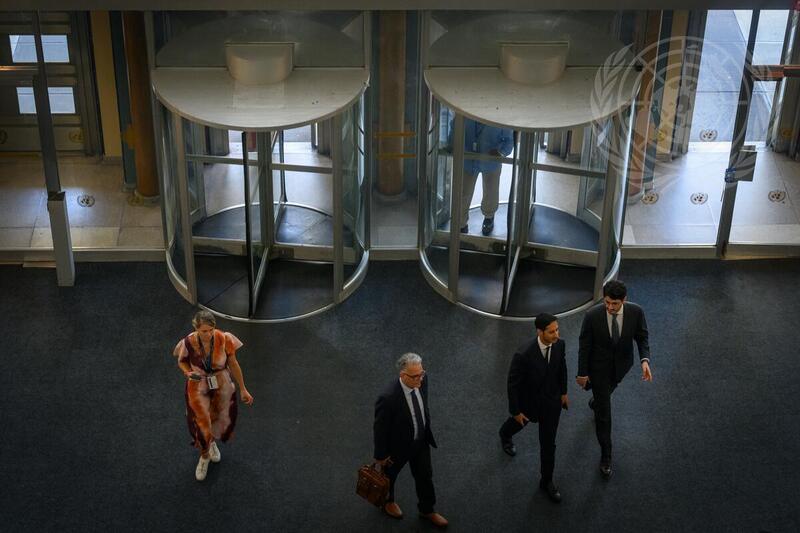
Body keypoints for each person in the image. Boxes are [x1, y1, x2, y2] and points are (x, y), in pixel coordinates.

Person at [576, 280, 652, 479]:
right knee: (604, 414)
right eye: (607, 302)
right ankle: (606, 455)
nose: (609, 307)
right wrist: (582, 373)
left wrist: (645, 360)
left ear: (624, 300)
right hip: (598, 369)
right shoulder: (592, 316)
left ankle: (596, 401)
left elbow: (642, 337)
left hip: (622, 367)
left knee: (604, 395)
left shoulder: (636, 312)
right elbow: (584, 345)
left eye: (614, 304)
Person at [173, 310, 254, 481]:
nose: (208, 334)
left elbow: (233, 363)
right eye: (204, 331)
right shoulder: (188, 342)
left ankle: (211, 443)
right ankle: (204, 455)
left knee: (216, 418)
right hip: (197, 385)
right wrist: (187, 373)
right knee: (201, 422)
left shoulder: (224, 339)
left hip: (221, 382)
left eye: (211, 329)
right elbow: (181, 361)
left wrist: (243, 388)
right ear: (196, 329)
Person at [498, 313, 569, 503]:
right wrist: (515, 411)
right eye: (551, 331)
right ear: (540, 331)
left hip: (552, 403)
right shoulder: (523, 354)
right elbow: (512, 385)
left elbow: (562, 368)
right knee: (517, 424)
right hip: (529, 404)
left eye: (557, 330)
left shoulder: (559, 345)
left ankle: (546, 481)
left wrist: (563, 392)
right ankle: (505, 435)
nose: (556, 334)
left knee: (549, 444)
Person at [373, 353, 448, 528]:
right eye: (415, 376)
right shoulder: (388, 398)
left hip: (420, 441)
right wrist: (380, 455)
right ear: (402, 375)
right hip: (397, 447)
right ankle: (387, 502)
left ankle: (427, 510)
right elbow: (380, 428)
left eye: (421, 373)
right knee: (389, 477)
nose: (420, 380)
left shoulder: (422, 379)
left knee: (425, 476)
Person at [453, 117, 514, 235]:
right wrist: (452, 145)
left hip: (491, 161)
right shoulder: (465, 109)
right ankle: (461, 224)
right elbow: (454, 127)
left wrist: (501, 152)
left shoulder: (499, 115)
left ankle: (489, 217)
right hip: (467, 159)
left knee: (491, 192)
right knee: (463, 193)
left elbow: (509, 140)